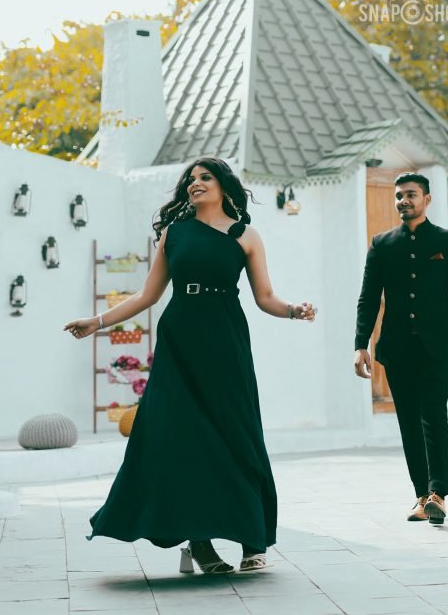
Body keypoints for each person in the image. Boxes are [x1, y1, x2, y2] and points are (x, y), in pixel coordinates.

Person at [64, 157, 315, 574]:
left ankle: (253, 541)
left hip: (226, 340)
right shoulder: (174, 233)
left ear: (224, 186)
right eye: (190, 179)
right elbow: (147, 295)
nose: (195, 183)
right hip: (180, 341)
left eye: (205, 177)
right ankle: (200, 543)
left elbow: (265, 297)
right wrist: (98, 321)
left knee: (238, 434)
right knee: (186, 440)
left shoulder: (246, 236)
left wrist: (293, 310)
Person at [353, 172, 448, 526]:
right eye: (399, 196)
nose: (404, 200)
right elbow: (368, 298)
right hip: (396, 348)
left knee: (433, 416)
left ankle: (439, 493)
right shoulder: (381, 244)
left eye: (411, 194)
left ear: (427, 199)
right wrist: (360, 344)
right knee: (408, 421)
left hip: (437, 346)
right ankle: (422, 496)